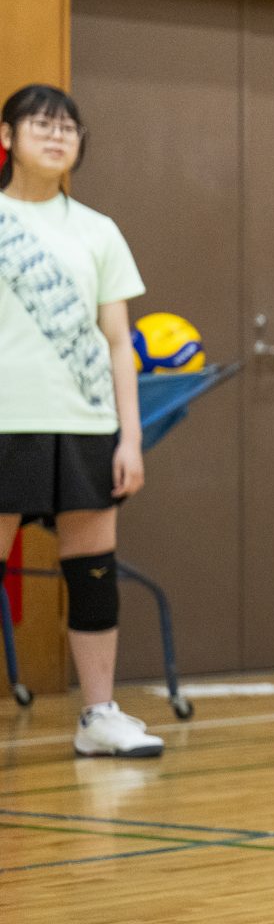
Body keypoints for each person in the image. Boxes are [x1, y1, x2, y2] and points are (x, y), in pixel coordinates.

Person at [0, 83, 160, 757]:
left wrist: (130, 436)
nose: (57, 135)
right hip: (8, 421)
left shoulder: (99, 231)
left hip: (88, 424)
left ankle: (99, 717)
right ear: (7, 138)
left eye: (68, 126)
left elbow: (119, 341)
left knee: (92, 569)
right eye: (41, 124)